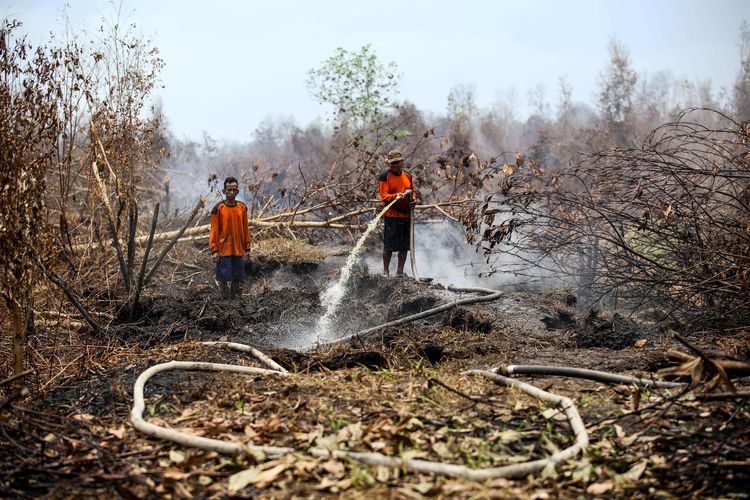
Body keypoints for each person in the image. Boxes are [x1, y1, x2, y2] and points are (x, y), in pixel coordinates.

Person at [209, 177, 251, 299]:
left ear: (237, 191)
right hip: (223, 251)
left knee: (237, 278)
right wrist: (214, 250)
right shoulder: (218, 209)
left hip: (238, 250)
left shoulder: (242, 208)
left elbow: (245, 229)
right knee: (223, 279)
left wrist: (247, 248)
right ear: (224, 191)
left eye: (234, 190)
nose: (231, 192)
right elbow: (214, 231)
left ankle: (236, 304)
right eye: (229, 190)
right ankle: (224, 302)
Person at [378, 149, 417, 276]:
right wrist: (396, 196)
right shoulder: (385, 177)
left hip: (406, 215)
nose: (394, 165)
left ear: (401, 162)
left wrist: (413, 200)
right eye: (392, 163)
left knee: (404, 246)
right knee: (389, 245)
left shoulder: (407, 176)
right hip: (392, 215)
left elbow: (412, 191)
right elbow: (384, 196)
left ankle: (400, 272)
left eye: (396, 163)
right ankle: (385, 271)